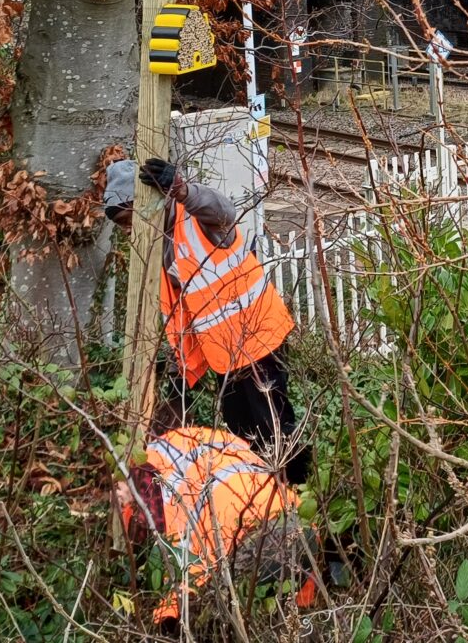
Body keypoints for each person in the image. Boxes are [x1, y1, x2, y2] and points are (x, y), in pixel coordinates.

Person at [104, 157, 310, 484]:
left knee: (274, 428)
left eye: (131, 219)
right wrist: (179, 374)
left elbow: (223, 209)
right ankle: (262, 495)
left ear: (146, 203)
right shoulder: (158, 247)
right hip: (222, 358)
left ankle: (298, 492)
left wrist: (182, 189)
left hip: (257, 340)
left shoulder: (197, 218)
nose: (131, 230)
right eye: (124, 225)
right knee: (241, 433)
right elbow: (183, 315)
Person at [115, 426, 318, 630]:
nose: (119, 499)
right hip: (299, 521)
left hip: (250, 540)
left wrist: (165, 616)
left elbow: (181, 559)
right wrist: (305, 607)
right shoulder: (186, 445)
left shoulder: (149, 476)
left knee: (209, 616)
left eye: (117, 489)